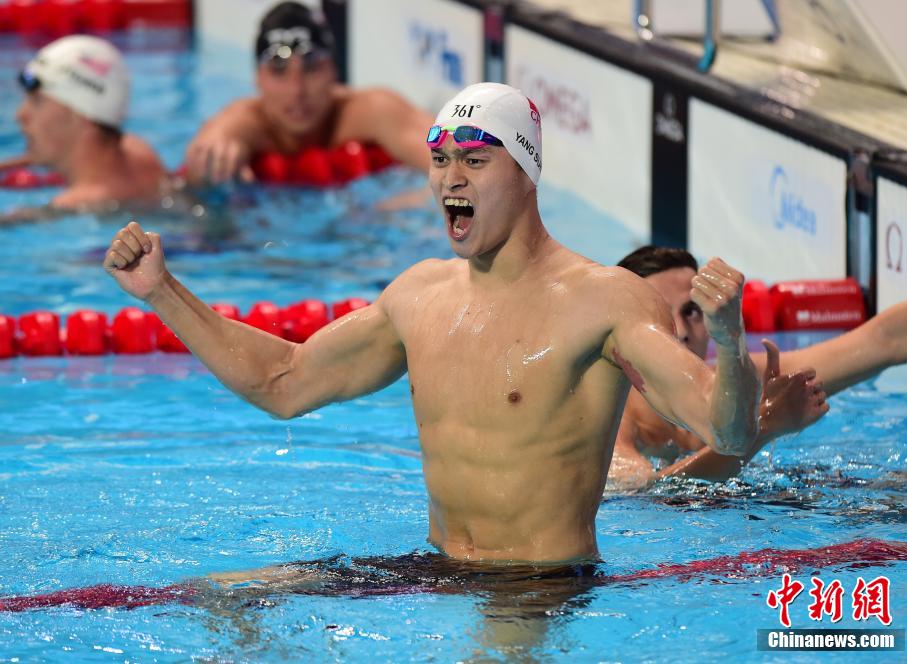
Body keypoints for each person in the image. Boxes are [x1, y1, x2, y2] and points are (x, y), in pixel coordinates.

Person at [105, 82, 762, 565]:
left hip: (538, 584)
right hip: (437, 570)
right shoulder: (420, 297)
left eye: (476, 161)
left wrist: (728, 342)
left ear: (526, 175)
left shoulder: (602, 300)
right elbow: (284, 380)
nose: (452, 177)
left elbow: (724, 428)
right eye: (441, 159)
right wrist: (162, 291)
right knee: (232, 602)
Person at [611, 245, 907, 488]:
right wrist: (766, 425)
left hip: (747, 512)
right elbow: (643, 494)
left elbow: (882, 342)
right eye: (664, 316)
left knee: (904, 487)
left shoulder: (736, 379)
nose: (682, 332)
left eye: (692, 312)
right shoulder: (613, 420)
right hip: (686, 544)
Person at [184, 1, 434, 183]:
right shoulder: (240, 123)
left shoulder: (373, 110)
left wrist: (414, 199)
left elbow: (456, 155)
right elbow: (194, 179)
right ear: (258, 78)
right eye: (278, 71)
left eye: (311, 68)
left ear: (334, 71)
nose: (297, 90)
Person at [10, 35, 165, 212]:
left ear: (82, 114)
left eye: (37, 101)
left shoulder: (73, 207)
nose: (20, 114)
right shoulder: (139, 152)